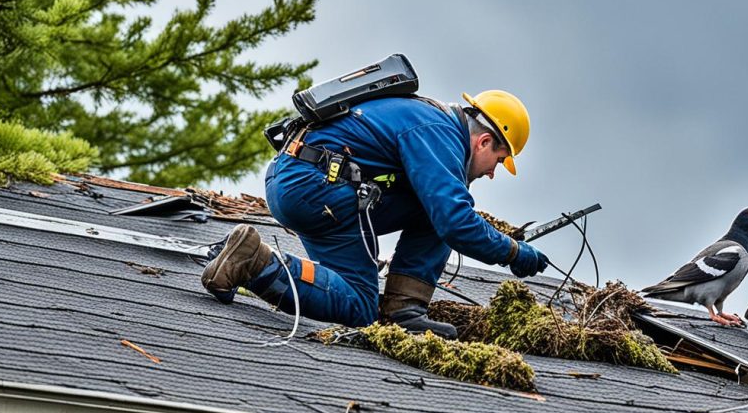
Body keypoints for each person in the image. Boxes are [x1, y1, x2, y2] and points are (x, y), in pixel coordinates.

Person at [200, 89, 549, 339]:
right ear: (484, 141)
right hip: (318, 187)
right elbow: (455, 221)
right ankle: (256, 261)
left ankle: (404, 310)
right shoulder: (440, 133)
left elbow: (443, 211)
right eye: (500, 161)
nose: (492, 172)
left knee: (436, 210)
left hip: (301, 180)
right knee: (358, 305)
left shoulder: (428, 120)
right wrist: (513, 252)